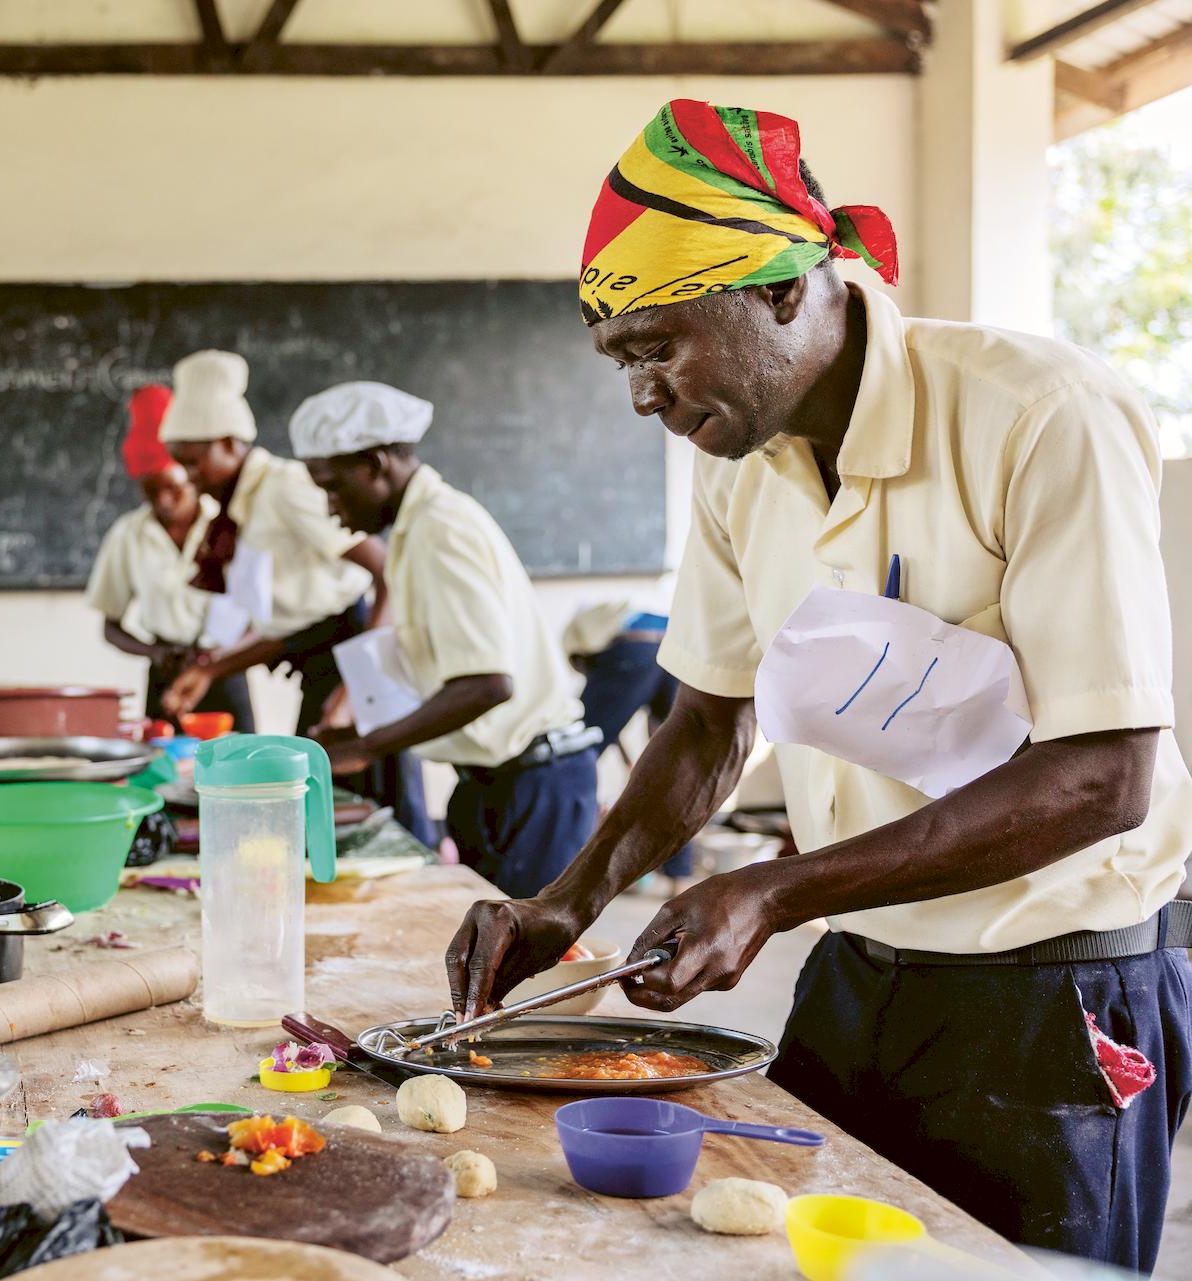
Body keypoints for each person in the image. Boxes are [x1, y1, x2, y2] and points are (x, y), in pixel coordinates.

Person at [447, 99, 1191, 1272]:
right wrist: (566, 902)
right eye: (622, 361)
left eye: (659, 346)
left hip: (1054, 992)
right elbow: (707, 722)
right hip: (859, 971)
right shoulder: (738, 464)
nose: (642, 395)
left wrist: (774, 890)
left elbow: (1105, 777)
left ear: (788, 290)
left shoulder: (1040, 416)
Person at [292, 382, 596, 895]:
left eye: (333, 488)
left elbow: (487, 683)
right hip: (492, 781)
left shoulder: (440, 527)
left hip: (534, 785)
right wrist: (360, 726)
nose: (329, 508)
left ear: (375, 465)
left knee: (528, 945)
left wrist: (367, 747)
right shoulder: (413, 532)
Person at [158, 350, 434, 846]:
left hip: (354, 654)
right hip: (319, 659)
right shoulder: (240, 507)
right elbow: (296, 622)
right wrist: (211, 670)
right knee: (320, 806)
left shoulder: (285, 489)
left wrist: (356, 687)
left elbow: (387, 571)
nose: (188, 477)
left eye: (193, 462)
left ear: (229, 444)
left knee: (370, 814)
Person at [87, 384, 253, 732]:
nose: (164, 501)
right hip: (166, 676)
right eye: (151, 491)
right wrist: (155, 653)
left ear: (193, 478)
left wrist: (217, 658)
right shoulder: (128, 535)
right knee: (164, 758)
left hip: (224, 669)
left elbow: (263, 611)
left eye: (174, 488)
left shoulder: (231, 524)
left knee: (240, 757)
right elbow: (110, 625)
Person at [564, 601, 696, 891]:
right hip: (678, 648)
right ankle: (680, 877)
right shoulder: (613, 616)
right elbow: (618, 720)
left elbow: (599, 726)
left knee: (575, 752)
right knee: (676, 766)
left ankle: (566, 860)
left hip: (636, 646)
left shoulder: (581, 640)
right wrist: (630, 760)